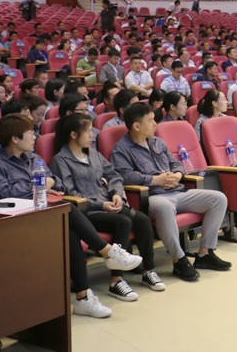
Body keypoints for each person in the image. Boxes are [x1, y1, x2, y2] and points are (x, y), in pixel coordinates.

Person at [0, 114, 142, 318]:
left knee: (70, 233)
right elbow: (3, 192)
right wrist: (39, 184)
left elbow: (56, 182)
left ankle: (83, 297)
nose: (35, 137)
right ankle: (108, 253)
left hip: (45, 213)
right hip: (20, 220)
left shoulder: (34, 158)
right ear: (15, 138)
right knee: (68, 208)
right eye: (30, 133)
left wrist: (44, 183)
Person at [110, 103, 232, 282]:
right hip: (153, 197)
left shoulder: (157, 141)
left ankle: (205, 253)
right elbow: (124, 176)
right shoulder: (121, 149)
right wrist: (154, 180)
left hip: (177, 192)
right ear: (136, 126)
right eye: (150, 121)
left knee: (218, 199)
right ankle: (179, 259)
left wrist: (177, 174)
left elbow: (176, 163)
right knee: (165, 208)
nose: (155, 124)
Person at [51, 113, 166, 299]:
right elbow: (69, 194)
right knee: (122, 222)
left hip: (109, 204)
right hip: (87, 212)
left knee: (142, 220)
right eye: (87, 131)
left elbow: (114, 175)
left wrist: (116, 194)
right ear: (73, 135)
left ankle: (148, 271)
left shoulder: (93, 154)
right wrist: (101, 204)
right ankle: (116, 281)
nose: (92, 135)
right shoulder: (61, 160)